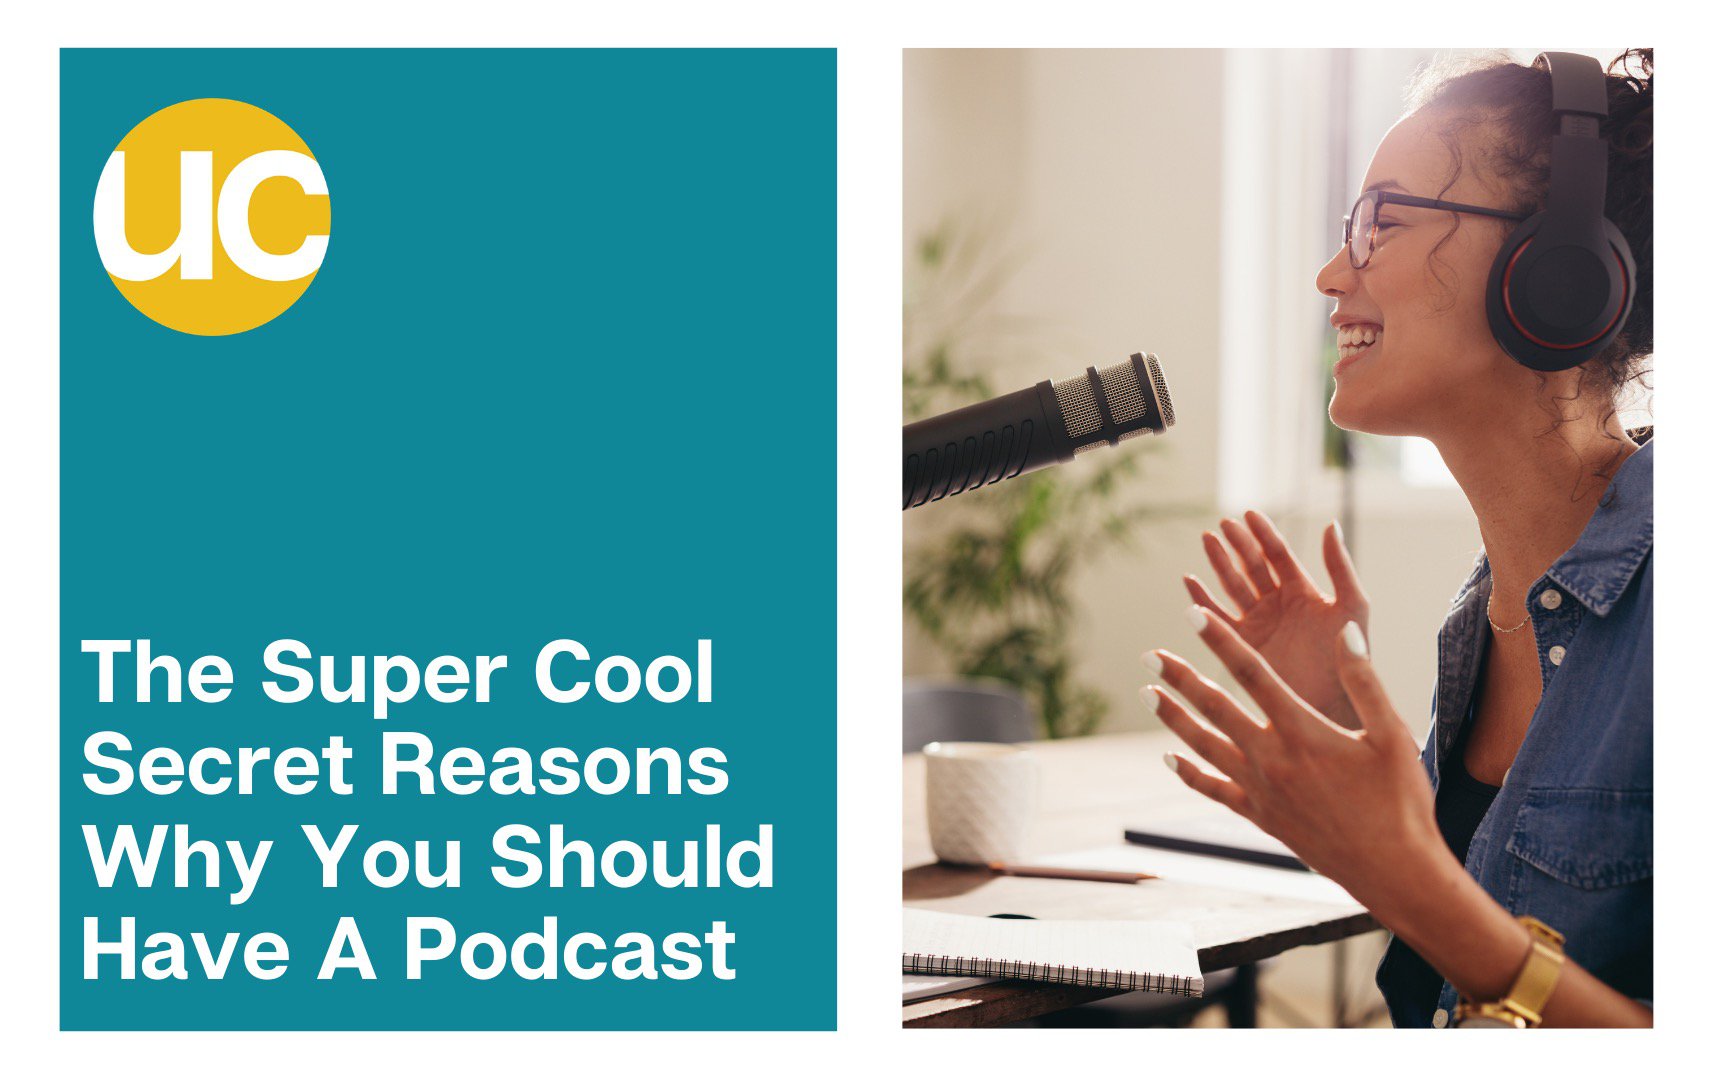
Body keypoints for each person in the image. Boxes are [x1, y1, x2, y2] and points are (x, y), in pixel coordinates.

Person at [1141, 51, 1652, 1028]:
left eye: (1384, 221)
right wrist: (1344, 742)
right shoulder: (1487, 618)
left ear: (1556, 272)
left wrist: (1406, 879)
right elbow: (1467, 941)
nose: (1334, 273)